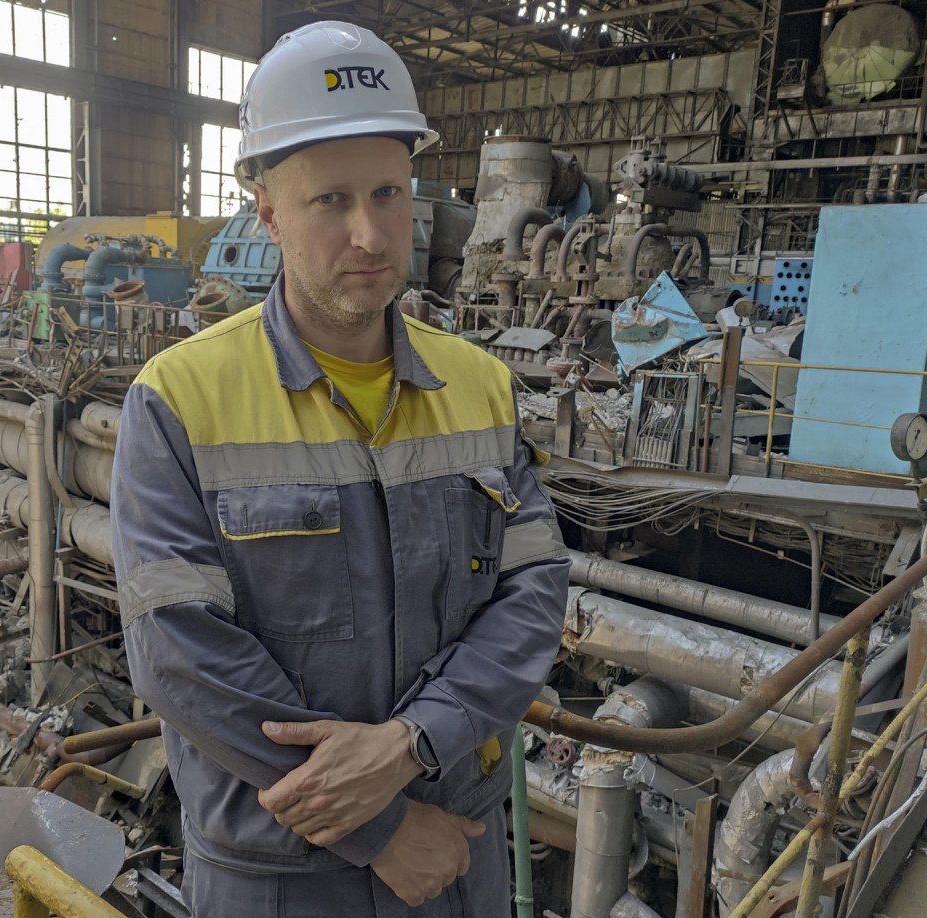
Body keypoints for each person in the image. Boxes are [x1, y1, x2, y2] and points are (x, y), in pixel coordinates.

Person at [110, 20, 568, 917]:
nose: (369, 233)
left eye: (389, 194)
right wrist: (382, 832)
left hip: (455, 856)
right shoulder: (179, 399)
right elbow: (178, 653)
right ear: (267, 208)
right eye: (330, 201)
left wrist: (413, 743)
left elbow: (535, 592)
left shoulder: (480, 387)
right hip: (280, 879)